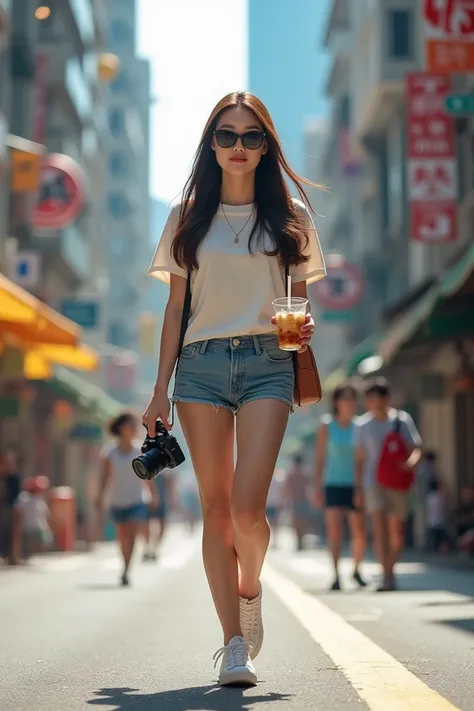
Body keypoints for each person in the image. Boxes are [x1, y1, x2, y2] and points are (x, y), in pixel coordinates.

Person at [142, 91, 325, 686]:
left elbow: (299, 299)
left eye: (252, 136)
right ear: (211, 144)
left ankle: (250, 590)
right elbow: (174, 310)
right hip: (198, 367)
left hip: (270, 361)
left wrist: (304, 324)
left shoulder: (291, 214)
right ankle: (234, 644)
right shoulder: (187, 215)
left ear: (267, 146)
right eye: (227, 135)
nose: (239, 146)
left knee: (249, 510)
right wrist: (157, 391)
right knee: (216, 511)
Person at [354, 379, 422, 592]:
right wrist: (357, 489)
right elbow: (359, 459)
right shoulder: (363, 425)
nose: (374, 403)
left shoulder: (401, 420)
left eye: (378, 398)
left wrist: (410, 464)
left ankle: (391, 570)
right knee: (379, 528)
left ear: (386, 399)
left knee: (396, 531)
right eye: (370, 399)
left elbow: (415, 448)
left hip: (397, 482)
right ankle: (386, 575)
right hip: (373, 482)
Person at [96, 412, 158, 586]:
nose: (132, 429)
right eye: (129, 426)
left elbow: (149, 476)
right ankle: (124, 563)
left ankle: (126, 570)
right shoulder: (109, 453)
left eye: (134, 426)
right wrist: (99, 497)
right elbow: (104, 477)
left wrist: (153, 495)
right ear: (120, 428)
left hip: (137, 499)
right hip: (117, 500)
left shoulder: (140, 450)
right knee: (122, 535)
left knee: (131, 532)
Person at [315, 384, 366, 591]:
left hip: (355, 485)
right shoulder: (327, 425)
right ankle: (336, 574)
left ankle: (356, 569)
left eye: (352, 398)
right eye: (345, 398)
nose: (349, 403)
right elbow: (320, 458)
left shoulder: (360, 426)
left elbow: (362, 460)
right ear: (336, 402)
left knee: (359, 532)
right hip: (332, 484)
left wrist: (360, 488)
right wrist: (317, 487)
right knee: (335, 531)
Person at [16, 476, 54, 558]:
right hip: (34, 528)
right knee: (47, 535)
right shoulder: (28, 499)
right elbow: (47, 516)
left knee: (46, 534)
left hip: (32, 528)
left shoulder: (26, 498)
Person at [143, 471, 176, 561]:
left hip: (162, 499)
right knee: (146, 524)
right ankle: (147, 546)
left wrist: (171, 499)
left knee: (162, 524)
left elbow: (170, 483)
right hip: (148, 499)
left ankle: (155, 548)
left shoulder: (167, 467)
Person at [284, 453, 311, 551]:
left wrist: (286, 501)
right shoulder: (305, 474)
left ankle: (299, 540)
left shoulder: (291, 474)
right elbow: (309, 485)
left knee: (296, 521)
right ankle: (301, 540)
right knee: (303, 521)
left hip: (295, 500)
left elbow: (287, 488)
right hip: (303, 499)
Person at [0, 448, 22, 565]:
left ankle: (12, 556)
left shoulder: (15, 477)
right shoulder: (3, 476)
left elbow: (16, 495)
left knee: (11, 532)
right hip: (3, 507)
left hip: (11, 507)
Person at [425, 479, 449, 553]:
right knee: (440, 537)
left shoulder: (429, 497)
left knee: (434, 537)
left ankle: (433, 548)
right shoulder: (439, 496)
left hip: (431, 520)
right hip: (439, 521)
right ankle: (439, 548)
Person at [266, 467, 285, 548]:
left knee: (273, 523)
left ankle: (274, 541)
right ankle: (271, 541)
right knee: (272, 523)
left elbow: (282, 492)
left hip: (272, 503)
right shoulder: (276, 480)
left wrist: (281, 502)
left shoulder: (278, 480)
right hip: (268, 504)